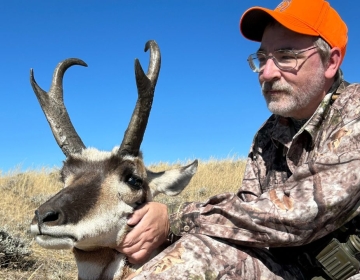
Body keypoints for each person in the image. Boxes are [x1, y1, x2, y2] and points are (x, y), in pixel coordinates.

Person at [118, 0, 360, 279]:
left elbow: (296, 214)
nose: (267, 73)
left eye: (286, 56)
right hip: (290, 269)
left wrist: (172, 218)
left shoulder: (354, 112)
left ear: (331, 61)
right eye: (263, 58)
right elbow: (247, 210)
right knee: (196, 253)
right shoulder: (268, 136)